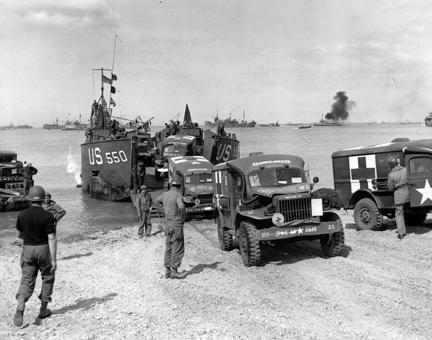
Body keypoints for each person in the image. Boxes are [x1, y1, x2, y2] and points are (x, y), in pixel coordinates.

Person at [14, 186, 57, 327]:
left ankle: (21, 301)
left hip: (28, 249)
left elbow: (20, 236)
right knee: (48, 277)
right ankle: (43, 310)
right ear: (43, 198)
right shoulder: (48, 216)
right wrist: (54, 259)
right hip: (43, 249)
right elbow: (51, 238)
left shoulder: (22, 215)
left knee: (27, 280)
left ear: (29, 198)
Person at [156, 180, 186, 279]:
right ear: (179, 186)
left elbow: (157, 201)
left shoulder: (165, 194)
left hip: (168, 223)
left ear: (171, 185)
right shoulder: (177, 195)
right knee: (177, 246)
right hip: (176, 224)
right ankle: (174, 271)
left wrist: (164, 210)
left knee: (169, 246)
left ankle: (167, 271)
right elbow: (181, 206)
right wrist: (181, 216)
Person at [387, 155, 409, 239]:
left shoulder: (391, 175)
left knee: (399, 214)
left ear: (391, 165)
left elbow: (390, 188)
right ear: (398, 162)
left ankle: (401, 233)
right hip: (408, 194)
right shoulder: (405, 170)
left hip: (399, 196)